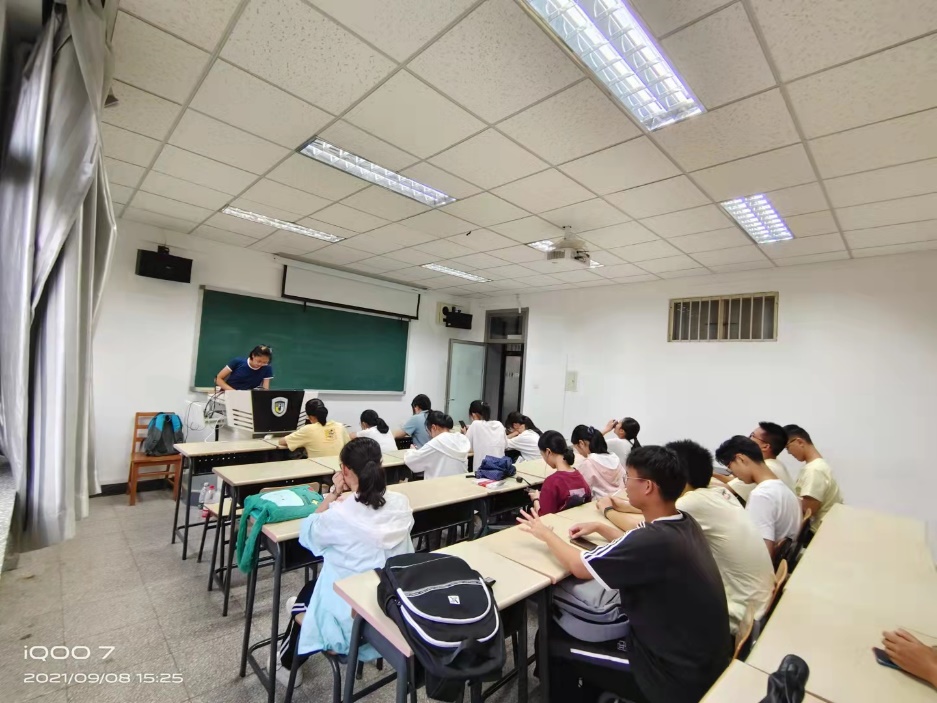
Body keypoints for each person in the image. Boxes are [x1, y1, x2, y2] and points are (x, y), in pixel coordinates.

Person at [517, 446, 731, 703]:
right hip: (701, 662)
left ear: (648, 486)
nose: (624, 484)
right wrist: (600, 527)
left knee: (552, 636)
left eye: (628, 478)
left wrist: (545, 533)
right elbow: (633, 541)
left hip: (668, 677)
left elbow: (579, 567)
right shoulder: (682, 522)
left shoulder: (653, 540)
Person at [278, 438, 414, 685]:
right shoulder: (402, 503)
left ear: (344, 470)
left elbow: (307, 534)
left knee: (308, 593)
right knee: (316, 590)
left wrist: (333, 494)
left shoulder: (339, 515)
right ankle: (301, 611)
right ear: (380, 465)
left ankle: (287, 665)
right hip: (393, 612)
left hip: (353, 625)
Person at [715, 436, 801, 560]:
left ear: (740, 459)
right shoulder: (783, 488)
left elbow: (762, 555)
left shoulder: (762, 496)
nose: (733, 473)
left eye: (729, 466)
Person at [716, 422, 795, 501]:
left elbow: (727, 489)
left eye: (752, 435)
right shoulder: (774, 463)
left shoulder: (768, 468)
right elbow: (735, 482)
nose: (748, 438)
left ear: (766, 446)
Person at [783, 424, 843, 523]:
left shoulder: (814, 470)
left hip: (819, 529)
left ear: (799, 442)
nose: (789, 452)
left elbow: (808, 510)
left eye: (787, 447)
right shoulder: (813, 467)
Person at [527, 430, 590, 515]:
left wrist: (536, 499)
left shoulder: (551, 482)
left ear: (548, 452)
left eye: (542, 454)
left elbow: (544, 516)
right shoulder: (579, 476)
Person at [403, 410, 470, 479]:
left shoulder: (436, 443)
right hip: (461, 483)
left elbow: (412, 462)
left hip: (439, 485)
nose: (430, 436)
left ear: (434, 427)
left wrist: (412, 451)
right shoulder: (461, 438)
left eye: (428, 431)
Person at [279, 400, 350, 458]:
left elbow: (282, 442)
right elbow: (348, 445)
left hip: (318, 469)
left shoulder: (308, 430)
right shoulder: (340, 426)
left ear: (310, 417)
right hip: (340, 468)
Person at [570, 424, 625, 498]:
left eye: (576, 448)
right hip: (621, 499)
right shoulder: (614, 458)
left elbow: (580, 491)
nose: (579, 453)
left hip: (600, 503)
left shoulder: (588, 463)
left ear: (581, 443)